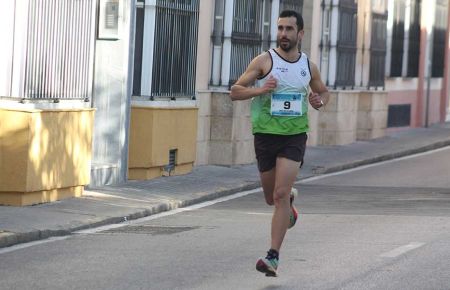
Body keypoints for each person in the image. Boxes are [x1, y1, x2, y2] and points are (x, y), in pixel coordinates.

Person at [230, 10, 330, 277]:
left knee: (278, 194)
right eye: (280, 28)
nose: (283, 34)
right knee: (269, 198)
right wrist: (261, 89)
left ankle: (272, 256)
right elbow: (235, 91)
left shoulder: (308, 66)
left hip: (294, 137)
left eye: (288, 29)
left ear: (300, 34)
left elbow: (323, 92)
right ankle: (289, 209)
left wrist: (319, 102)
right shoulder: (265, 61)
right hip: (265, 135)